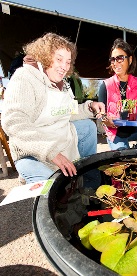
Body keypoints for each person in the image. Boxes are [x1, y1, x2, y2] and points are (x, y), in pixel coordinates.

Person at [1, 33, 105, 184]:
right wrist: (51, 152)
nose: (64, 66)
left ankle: (89, 183)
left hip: (57, 142)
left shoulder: (62, 83)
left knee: (88, 127)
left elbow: (67, 111)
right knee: (54, 191)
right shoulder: (25, 77)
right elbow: (13, 122)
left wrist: (90, 107)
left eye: (68, 62)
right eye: (59, 59)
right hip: (33, 153)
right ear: (45, 56)